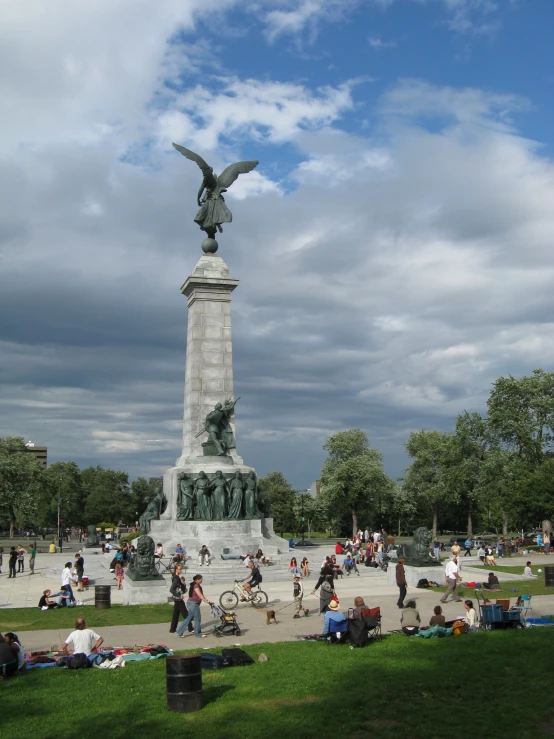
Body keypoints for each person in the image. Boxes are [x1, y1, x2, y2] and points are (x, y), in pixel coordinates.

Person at [176, 574, 210, 638]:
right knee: (198, 618)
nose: (202, 580)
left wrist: (205, 599)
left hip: (192, 603)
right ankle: (198, 634)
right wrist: (205, 601)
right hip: (193, 604)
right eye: (201, 579)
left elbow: (201, 595)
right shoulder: (196, 585)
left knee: (189, 618)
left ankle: (179, 631)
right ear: (197, 579)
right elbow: (199, 595)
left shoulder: (195, 585)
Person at [169, 564, 193, 634]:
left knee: (175, 614)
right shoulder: (176, 579)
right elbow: (171, 590)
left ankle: (172, 629)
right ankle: (190, 628)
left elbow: (179, 587)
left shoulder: (176, 577)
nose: (181, 570)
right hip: (178, 599)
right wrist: (179, 596)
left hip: (177, 599)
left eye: (181, 569)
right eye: (179, 569)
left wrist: (184, 589)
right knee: (186, 614)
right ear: (176, 569)